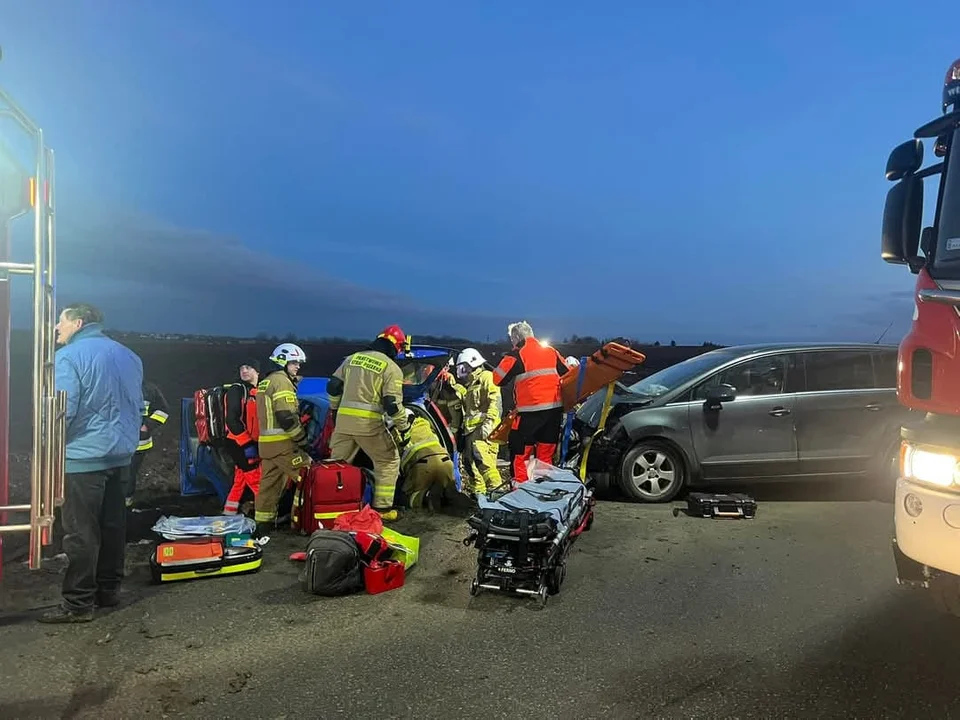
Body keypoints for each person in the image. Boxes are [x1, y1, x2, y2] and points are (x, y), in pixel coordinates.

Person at [40, 303, 143, 623]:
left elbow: (63, 410)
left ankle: (78, 604)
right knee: (113, 526)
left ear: (79, 323)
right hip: (122, 455)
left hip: (83, 457)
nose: (57, 327)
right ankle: (108, 591)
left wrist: (47, 446)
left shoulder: (69, 357)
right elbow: (137, 404)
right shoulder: (130, 356)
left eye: (62, 321)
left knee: (81, 532)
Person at [327, 325, 411, 521]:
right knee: (388, 461)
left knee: (335, 467)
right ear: (395, 347)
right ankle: (382, 510)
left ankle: (329, 508)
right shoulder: (391, 368)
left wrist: (334, 410)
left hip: (343, 424)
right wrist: (404, 427)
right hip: (369, 426)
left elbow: (332, 386)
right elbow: (391, 404)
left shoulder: (352, 358)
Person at [492, 321, 571, 483]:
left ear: (515, 337)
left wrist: (510, 354)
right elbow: (569, 373)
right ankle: (543, 488)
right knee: (545, 453)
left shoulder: (517, 354)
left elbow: (497, 379)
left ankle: (519, 489)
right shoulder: (550, 351)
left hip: (529, 413)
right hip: (554, 412)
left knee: (520, 451)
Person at [255, 343, 310, 534]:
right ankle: (303, 521)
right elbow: (286, 416)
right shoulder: (282, 381)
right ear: (282, 361)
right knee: (308, 477)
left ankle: (263, 524)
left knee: (269, 486)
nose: (297, 367)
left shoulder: (266, 381)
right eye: (294, 362)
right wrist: (302, 440)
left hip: (267, 446)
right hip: (283, 445)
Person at [456, 347, 503, 496]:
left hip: (484, 431)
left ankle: (496, 492)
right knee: (471, 468)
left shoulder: (487, 377)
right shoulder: (470, 385)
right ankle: (479, 498)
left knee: (485, 464)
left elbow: (495, 402)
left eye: (463, 368)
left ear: (472, 363)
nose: (461, 372)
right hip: (471, 433)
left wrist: (489, 425)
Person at [223, 360, 261, 515]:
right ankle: (267, 513)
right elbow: (231, 420)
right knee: (256, 479)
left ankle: (228, 513)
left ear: (257, 371)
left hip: (251, 442)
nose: (244, 370)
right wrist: (247, 445)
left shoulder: (257, 390)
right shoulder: (236, 390)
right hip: (238, 442)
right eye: (241, 367)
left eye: (248, 367)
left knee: (240, 479)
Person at [124, 379, 169, 508]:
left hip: (139, 443)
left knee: (129, 473)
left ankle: (126, 503)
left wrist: (148, 425)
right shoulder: (114, 384)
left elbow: (163, 410)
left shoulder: (149, 389)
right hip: (115, 442)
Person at [399, 409, 454, 509]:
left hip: (421, 465)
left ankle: (426, 498)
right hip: (446, 461)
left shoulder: (399, 430)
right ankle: (447, 498)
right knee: (449, 494)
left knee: (408, 498)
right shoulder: (425, 422)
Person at [430, 358, 464, 439]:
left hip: (445, 423)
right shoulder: (431, 378)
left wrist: (453, 432)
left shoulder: (447, 378)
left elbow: (454, 405)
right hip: (435, 421)